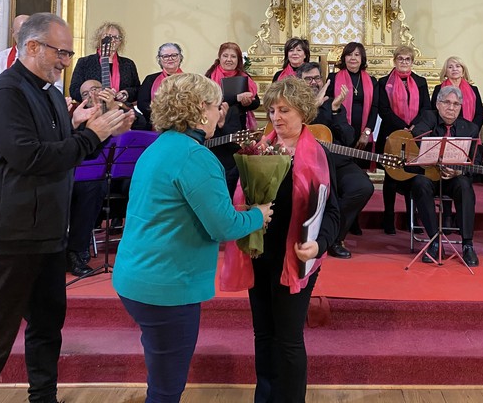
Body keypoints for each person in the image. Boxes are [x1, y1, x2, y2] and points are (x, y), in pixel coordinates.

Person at [0, 13, 133, 403]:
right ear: (33, 46)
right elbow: (30, 158)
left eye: (69, 53)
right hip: (8, 234)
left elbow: (65, 151)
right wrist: (91, 135)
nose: (66, 61)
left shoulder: (51, 93)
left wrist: (99, 131)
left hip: (48, 232)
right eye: (61, 52)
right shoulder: (4, 94)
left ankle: (43, 398)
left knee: (47, 325)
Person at [113, 73, 272, 403]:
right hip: (166, 286)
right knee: (166, 390)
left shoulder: (159, 146)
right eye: (217, 106)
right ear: (200, 109)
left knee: (161, 376)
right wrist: (259, 214)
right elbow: (223, 227)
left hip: (137, 276)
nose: (220, 113)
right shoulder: (195, 156)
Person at [247, 78, 340, 402]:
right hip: (259, 255)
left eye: (284, 110)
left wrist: (320, 245)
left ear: (303, 112)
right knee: (263, 335)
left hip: (298, 257)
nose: (276, 117)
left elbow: (333, 212)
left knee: (287, 339)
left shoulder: (318, 155)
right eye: (272, 110)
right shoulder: (259, 150)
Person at [298, 62, 373, 259]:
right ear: (299, 82)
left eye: (317, 78)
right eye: (308, 79)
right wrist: (313, 107)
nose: (314, 82)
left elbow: (348, 138)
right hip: (306, 164)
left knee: (363, 187)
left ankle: (333, 237)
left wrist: (335, 111)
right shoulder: (292, 104)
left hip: (337, 161)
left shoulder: (332, 103)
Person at [409, 86, 482, 267]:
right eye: (447, 102)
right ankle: (435, 241)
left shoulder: (470, 128)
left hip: (454, 179)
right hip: (430, 176)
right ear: (438, 104)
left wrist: (460, 171)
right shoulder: (429, 117)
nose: (451, 108)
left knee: (464, 186)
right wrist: (437, 155)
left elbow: (477, 161)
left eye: (456, 104)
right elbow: (417, 133)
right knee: (419, 183)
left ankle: (467, 244)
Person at [65, 79, 129, 277]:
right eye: (85, 94)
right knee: (91, 187)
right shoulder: (79, 117)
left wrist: (114, 107)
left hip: (118, 176)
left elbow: (139, 127)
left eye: (95, 90)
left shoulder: (119, 109)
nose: (91, 95)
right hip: (84, 178)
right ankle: (76, 252)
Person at [377, 45, 431, 234]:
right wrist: (402, 126)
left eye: (408, 59)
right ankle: (388, 218)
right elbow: (383, 109)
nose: (404, 62)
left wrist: (414, 126)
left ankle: (411, 218)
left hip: (415, 135)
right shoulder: (384, 82)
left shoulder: (421, 82)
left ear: (412, 61)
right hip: (392, 134)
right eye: (400, 58)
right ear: (394, 60)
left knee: (413, 175)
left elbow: (426, 108)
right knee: (391, 177)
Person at [206, 42, 261, 194]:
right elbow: (208, 101)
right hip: (214, 131)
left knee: (233, 173)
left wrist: (247, 102)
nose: (229, 59)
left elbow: (256, 103)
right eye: (225, 56)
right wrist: (236, 98)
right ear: (219, 57)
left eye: (233, 56)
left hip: (237, 130)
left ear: (238, 60)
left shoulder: (245, 77)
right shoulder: (210, 77)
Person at [326, 41, 379, 154]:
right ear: (344, 58)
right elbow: (327, 107)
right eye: (349, 54)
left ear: (362, 58)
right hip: (339, 132)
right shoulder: (333, 78)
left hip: (363, 132)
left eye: (357, 54)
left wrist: (366, 133)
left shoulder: (372, 81)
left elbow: (374, 108)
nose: (353, 58)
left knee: (361, 163)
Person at [69, 22, 141, 105]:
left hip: (121, 108)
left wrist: (126, 93)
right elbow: (74, 90)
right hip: (93, 109)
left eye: (117, 37)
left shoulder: (128, 64)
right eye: (108, 37)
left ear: (120, 42)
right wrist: (96, 95)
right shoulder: (84, 62)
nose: (113, 40)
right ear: (99, 39)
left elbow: (137, 89)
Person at [138, 42, 185, 129]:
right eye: (165, 56)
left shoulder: (188, 80)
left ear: (180, 57)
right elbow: (142, 104)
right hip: (155, 124)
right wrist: (162, 116)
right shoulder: (150, 79)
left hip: (182, 124)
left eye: (174, 55)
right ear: (159, 59)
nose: (170, 59)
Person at [431, 56, 483, 131]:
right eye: (450, 67)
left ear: (463, 71)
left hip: (469, 131)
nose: (454, 69)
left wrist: (472, 131)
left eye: (458, 66)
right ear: (445, 72)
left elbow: (479, 115)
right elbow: (434, 112)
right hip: (443, 131)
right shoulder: (439, 89)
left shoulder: (473, 90)